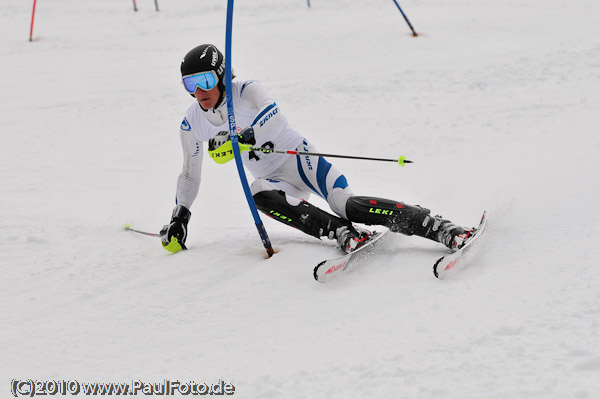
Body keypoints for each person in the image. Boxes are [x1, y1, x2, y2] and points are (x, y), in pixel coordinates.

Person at [159, 44, 474, 254]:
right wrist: (180, 215)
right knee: (257, 192)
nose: (199, 92)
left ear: (221, 75)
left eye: (203, 80)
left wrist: (246, 134)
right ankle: (341, 234)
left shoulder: (246, 91)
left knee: (346, 204)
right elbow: (189, 173)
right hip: (276, 181)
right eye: (189, 84)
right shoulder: (192, 123)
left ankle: (438, 226)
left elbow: (273, 113)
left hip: (301, 160)